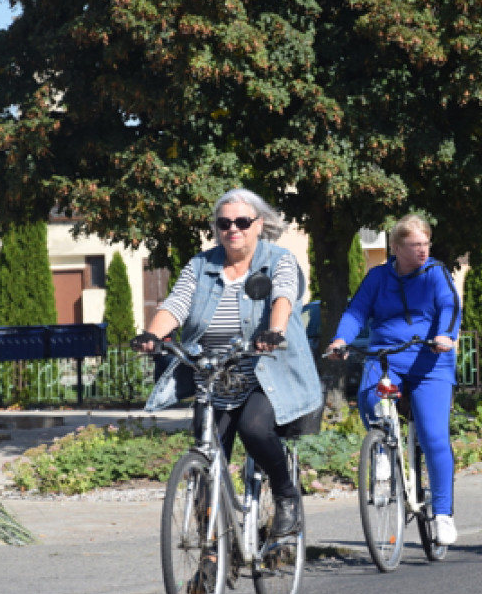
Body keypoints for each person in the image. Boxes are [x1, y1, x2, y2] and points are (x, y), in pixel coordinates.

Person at [132, 188, 322, 536]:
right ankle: (212, 556)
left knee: (253, 428)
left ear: (258, 224)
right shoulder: (200, 265)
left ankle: (285, 495)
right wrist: (153, 336)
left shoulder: (279, 260)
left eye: (242, 221)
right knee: (205, 455)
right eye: (224, 223)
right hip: (214, 374)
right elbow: (176, 304)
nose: (233, 229)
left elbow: (283, 295)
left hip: (267, 373)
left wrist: (274, 332)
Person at [326, 214, 462, 545]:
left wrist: (445, 335)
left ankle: (443, 514)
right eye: (415, 245)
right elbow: (356, 312)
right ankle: (384, 451)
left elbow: (449, 305)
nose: (423, 251)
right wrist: (341, 340)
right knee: (371, 398)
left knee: (434, 437)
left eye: (426, 244)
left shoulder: (435, 274)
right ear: (396, 247)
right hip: (387, 358)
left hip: (430, 361)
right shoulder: (377, 277)